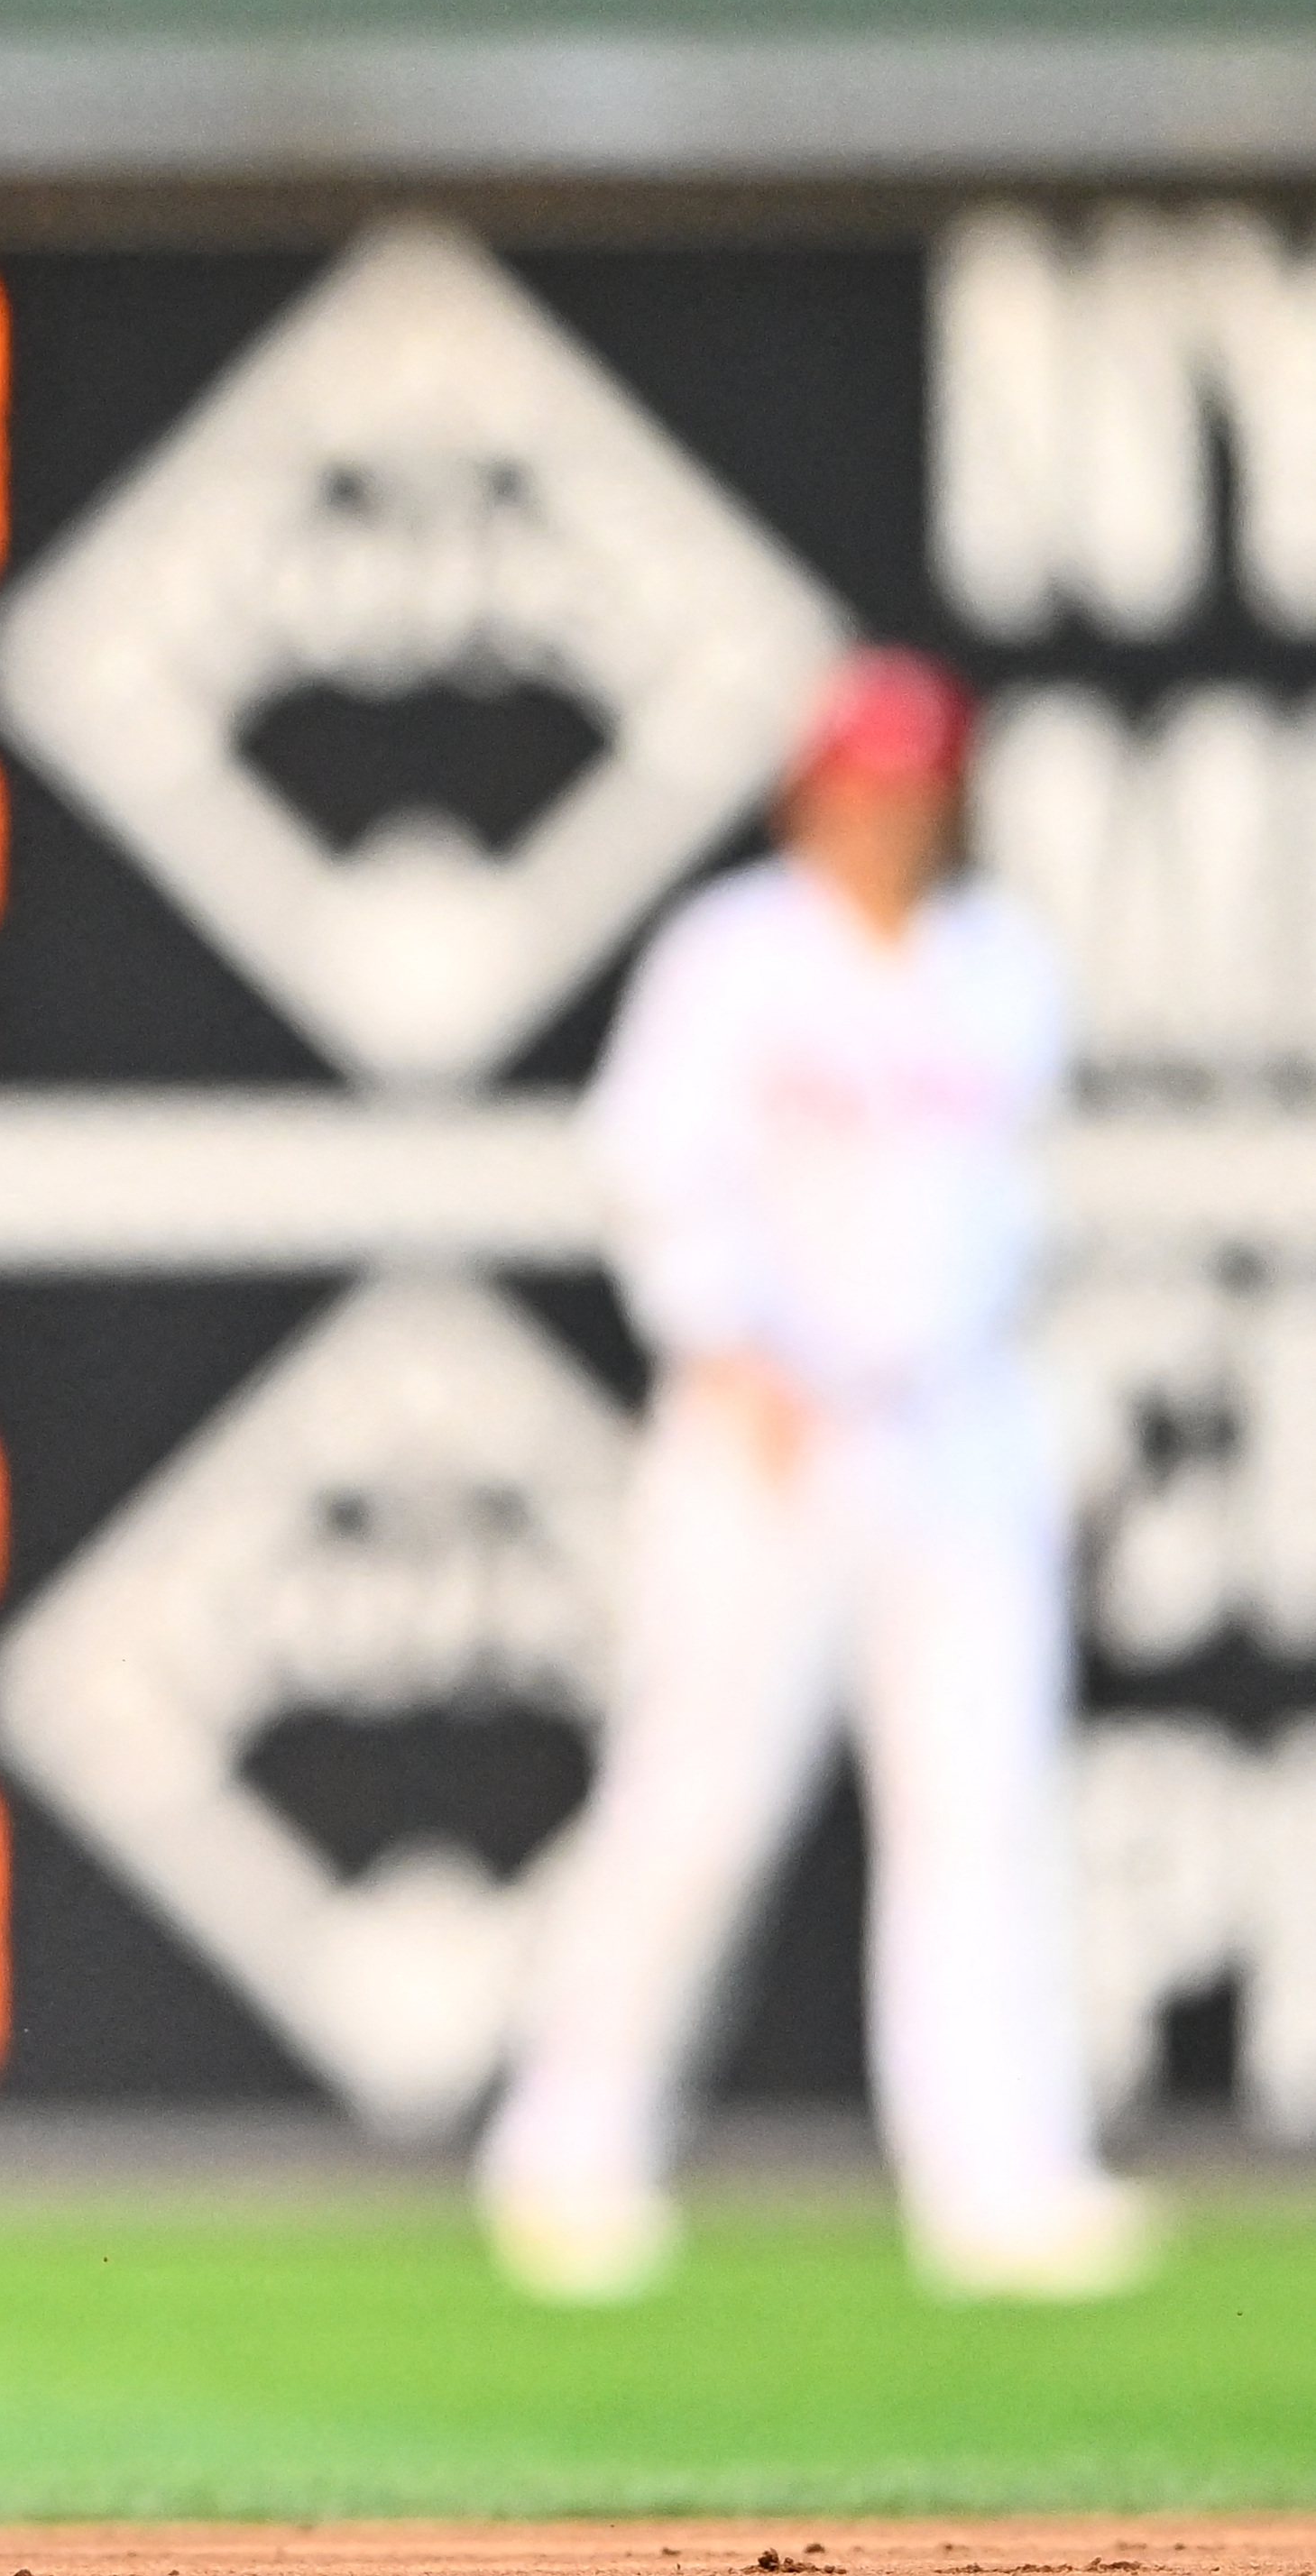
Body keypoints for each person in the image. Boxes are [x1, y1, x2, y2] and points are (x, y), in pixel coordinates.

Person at [478, 646, 1159, 2306]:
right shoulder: (734, 954)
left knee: (981, 1810)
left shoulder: (1001, 962)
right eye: (862, 789)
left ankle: (1002, 2179)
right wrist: (735, 1348)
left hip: (957, 1425)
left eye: (916, 790)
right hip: (763, 1426)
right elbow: (652, 1171)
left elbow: (1015, 1207)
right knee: (699, 1798)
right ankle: (571, 2146)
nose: (888, 820)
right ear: (811, 794)